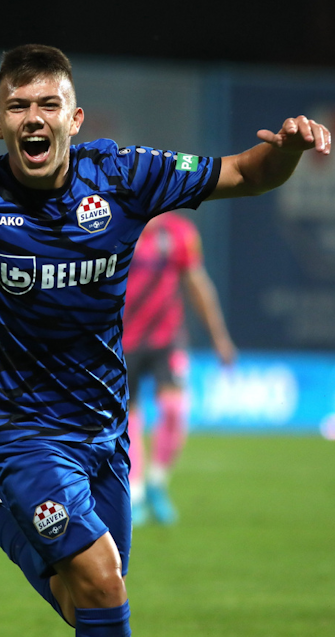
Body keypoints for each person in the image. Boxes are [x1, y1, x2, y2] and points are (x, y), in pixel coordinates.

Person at [0, 45, 330, 635]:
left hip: (103, 422)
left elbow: (248, 173)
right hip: (18, 426)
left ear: (74, 119)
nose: (34, 118)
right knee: (103, 581)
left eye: (49, 104)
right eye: (18, 107)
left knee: (89, 602)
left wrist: (287, 150)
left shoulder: (121, 176)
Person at [123, 213, 236, 526]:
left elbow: (197, 283)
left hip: (166, 340)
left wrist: (219, 337)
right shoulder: (116, 224)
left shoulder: (179, 233)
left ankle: (157, 481)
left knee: (174, 409)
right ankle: (135, 493)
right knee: (128, 417)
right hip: (121, 341)